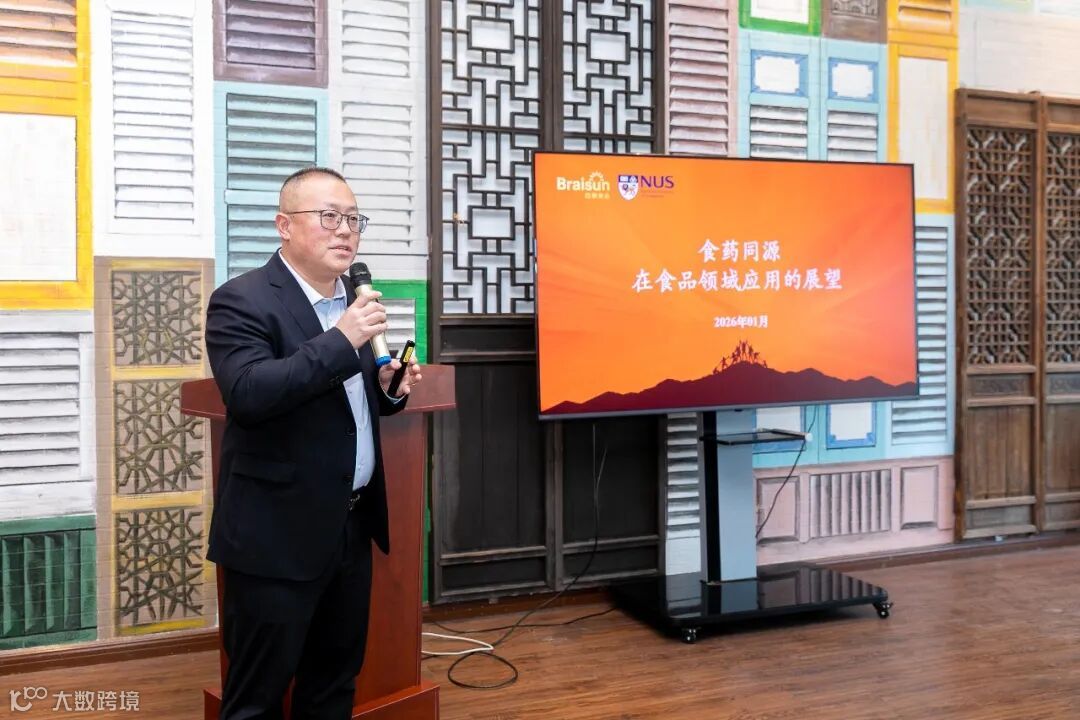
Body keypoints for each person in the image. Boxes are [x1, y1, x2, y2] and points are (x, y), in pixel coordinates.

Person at [204, 166, 422, 719]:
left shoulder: (352, 300)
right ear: (284, 225)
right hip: (275, 536)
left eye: (353, 219)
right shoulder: (241, 300)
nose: (345, 231)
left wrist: (387, 390)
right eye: (329, 217)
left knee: (332, 687)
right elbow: (249, 394)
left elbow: (344, 409)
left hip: (349, 528)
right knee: (255, 699)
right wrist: (342, 339)